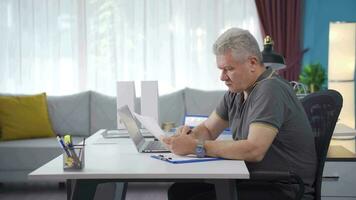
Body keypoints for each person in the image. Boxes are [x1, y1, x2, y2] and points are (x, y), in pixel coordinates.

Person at [162, 28, 317, 200]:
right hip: (254, 180)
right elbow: (208, 129)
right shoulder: (236, 92)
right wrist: (188, 136)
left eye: (228, 69)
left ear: (252, 63)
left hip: (282, 188)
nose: (222, 77)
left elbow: (254, 150)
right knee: (179, 191)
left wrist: (194, 147)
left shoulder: (270, 89)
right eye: (221, 69)